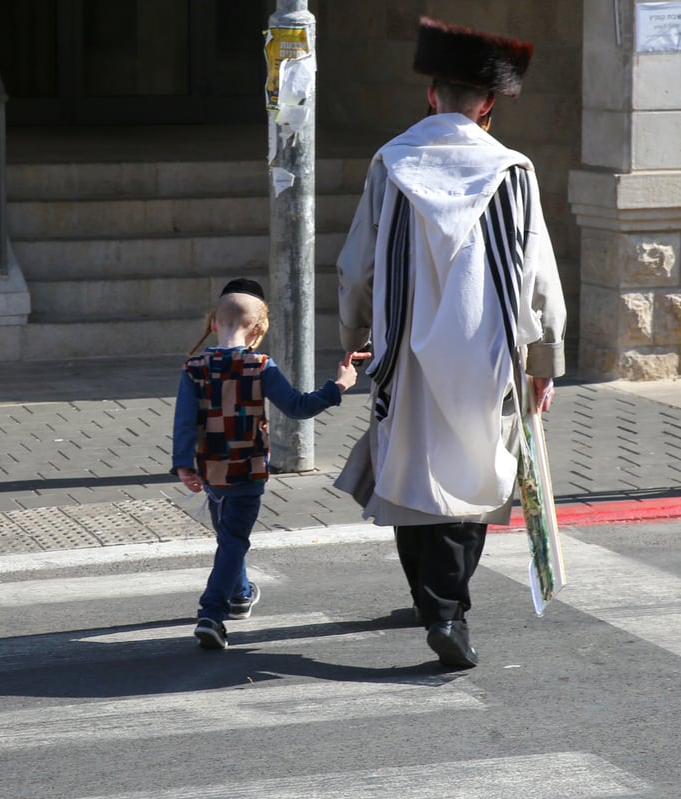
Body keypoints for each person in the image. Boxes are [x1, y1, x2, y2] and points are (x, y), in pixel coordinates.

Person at [334, 17, 567, 669]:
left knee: (412, 474)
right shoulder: (515, 172)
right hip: (489, 352)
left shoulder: (391, 163)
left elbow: (355, 267)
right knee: (476, 470)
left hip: (407, 351)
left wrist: (353, 334)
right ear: (488, 104)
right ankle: (448, 603)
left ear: (430, 96)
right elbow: (539, 277)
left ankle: (438, 607)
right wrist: (543, 362)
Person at [172, 279, 366, 650]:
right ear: (259, 330)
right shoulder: (260, 366)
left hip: (210, 468)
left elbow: (184, 421)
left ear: (213, 323)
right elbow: (298, 407)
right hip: (247, 469)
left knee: (229, 539)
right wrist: (339, 386)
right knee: (233, 540)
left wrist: (184, 464)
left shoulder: (193, 368)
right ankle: (211, 613)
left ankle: (241, 593)